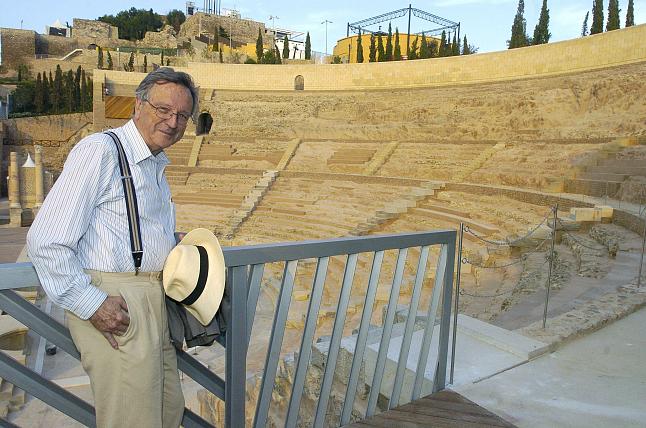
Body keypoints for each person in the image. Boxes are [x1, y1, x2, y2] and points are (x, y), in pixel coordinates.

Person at [27, 67, 198, 427]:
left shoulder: (154, 163)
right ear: (138, 105)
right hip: (116, 301)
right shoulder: (99, 151)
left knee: (166, 413)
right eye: (163, 109)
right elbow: (46, 240)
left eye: (182, 115)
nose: (172, 121)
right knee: (131, 418)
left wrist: (170, 243)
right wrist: (91, 304)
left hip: (153, 298)